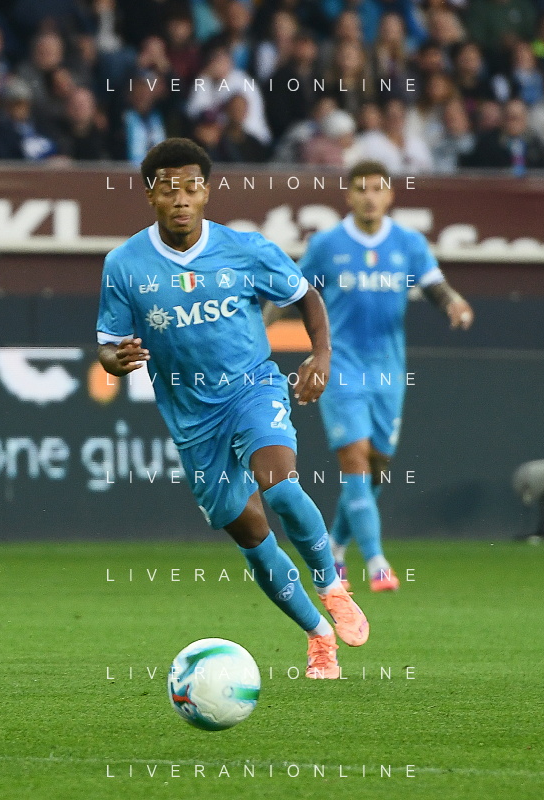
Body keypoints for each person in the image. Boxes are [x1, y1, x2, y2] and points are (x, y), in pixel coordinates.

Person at [96, 138, 370, 680]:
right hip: (193, 420)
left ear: (206, 192)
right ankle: (318, 635)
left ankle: (331, 585)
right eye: (168, 189)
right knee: (251, 535)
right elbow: (107, 344)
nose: (181, 198)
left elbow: (305, 295)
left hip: (252, 389)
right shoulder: (124, 265)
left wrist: (320, 355)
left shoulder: (245, 248)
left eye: (191, 187)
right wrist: (116, 359)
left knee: (280, 486)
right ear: (150, 195)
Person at [278, 160, 474, 592]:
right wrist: (258, 326)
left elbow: (435, 286)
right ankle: (377, 562)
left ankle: (334, 547)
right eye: (361, 188)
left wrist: (454, 304)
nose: (369, 196)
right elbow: (292, 290)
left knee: (375, 469)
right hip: (341, 366)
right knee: (355, 459)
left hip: (388, 371)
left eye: (377, 188)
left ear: (389, 195)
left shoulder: (408, 243)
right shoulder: (327, 244)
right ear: (348, 195)